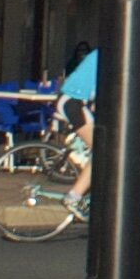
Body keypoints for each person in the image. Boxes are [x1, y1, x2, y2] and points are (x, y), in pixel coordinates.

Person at [56, 44, 99, 215]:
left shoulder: (107, 52)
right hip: (74, 102)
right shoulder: (117, 53)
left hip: (77, 100)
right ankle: (74, 197)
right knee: (101, 151)